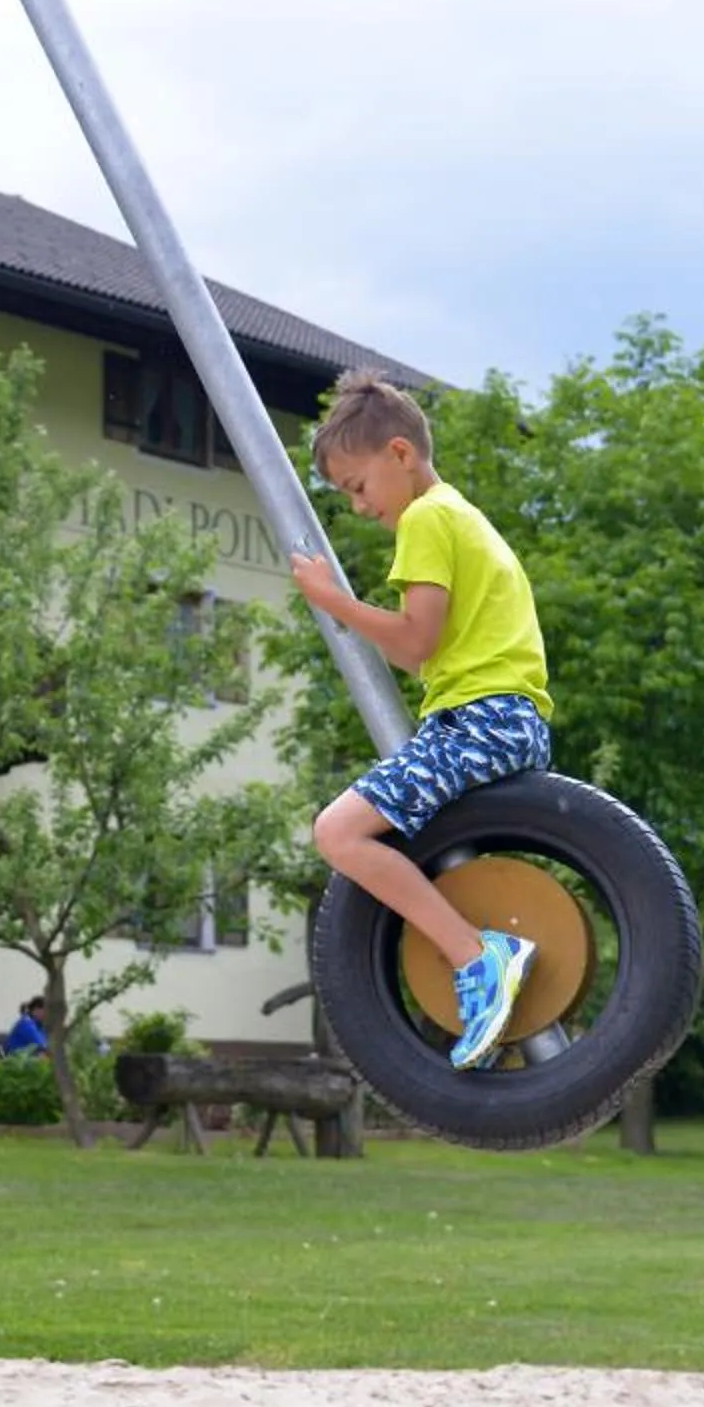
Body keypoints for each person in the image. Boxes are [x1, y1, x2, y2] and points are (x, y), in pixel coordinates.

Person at [288, 370, 553, 1070]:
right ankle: (483, 983)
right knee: (389, 834)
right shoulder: (461, 515)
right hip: (506, 717)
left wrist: (329, 598)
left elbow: (414, 644)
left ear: (400, 454)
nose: (358, 504)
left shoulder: (428, 519)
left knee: (337, 832)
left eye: (357, 485)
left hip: (481, 720)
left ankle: (477, 958)